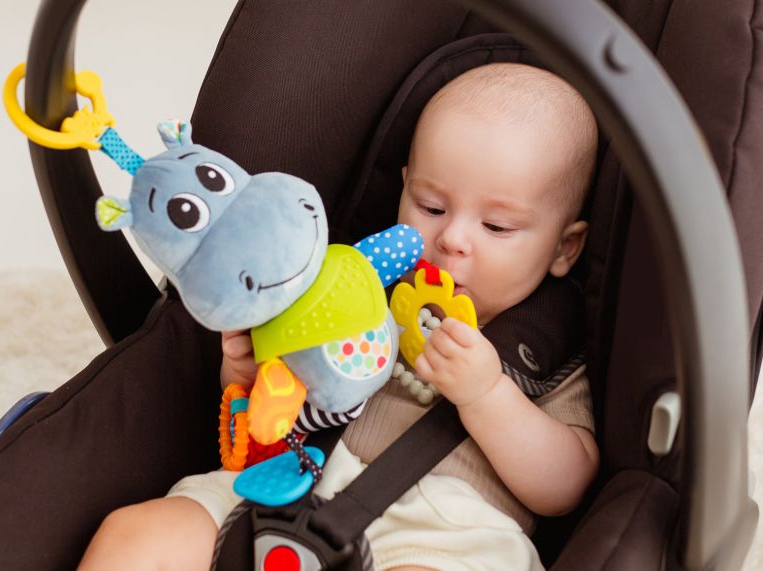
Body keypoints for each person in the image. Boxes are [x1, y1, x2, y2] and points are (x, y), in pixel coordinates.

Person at [78, 62, 599, 571]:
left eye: (497, 226)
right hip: (282, 482)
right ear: (404, 188)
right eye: (431, 207)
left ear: (564, 247)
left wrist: (487, 394)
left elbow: (564, 488)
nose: (454, 238)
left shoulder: (539, 349)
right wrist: (245, 370)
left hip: (441, 534)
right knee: (136, 534)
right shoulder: (345, 285)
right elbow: (265, 400)